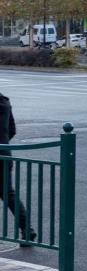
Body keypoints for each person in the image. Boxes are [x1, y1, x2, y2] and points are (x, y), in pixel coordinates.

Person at [0, 92, 33, 242]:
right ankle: (27, 230)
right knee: (8, 194)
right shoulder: (5, 102)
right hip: (4, 153)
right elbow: (12, 129)